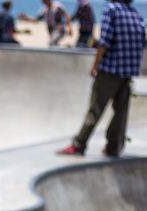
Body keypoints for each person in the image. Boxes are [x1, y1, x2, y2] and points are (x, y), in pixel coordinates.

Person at [58, 0, 145, 157]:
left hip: (110, 69)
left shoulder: (111, 10)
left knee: (95, 109)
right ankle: (114, 147)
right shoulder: (135, 13)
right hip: (128, 71)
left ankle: (79, 145)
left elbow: (104, 41)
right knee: (121, 112)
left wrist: (95, 65)